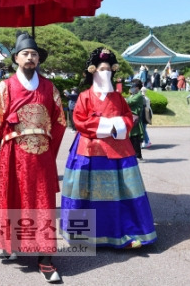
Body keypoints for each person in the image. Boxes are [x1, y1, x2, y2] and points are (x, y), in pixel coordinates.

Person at [0, 32, 66, 283]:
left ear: (39, 59)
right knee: (12, 199)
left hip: (41, 155)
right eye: (25, 54)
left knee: (42, 203)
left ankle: (45, 258)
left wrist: (47, 150)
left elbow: (60, 122)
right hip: (13, 153)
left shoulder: (50, 88)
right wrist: (8, 147)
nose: (30, 58)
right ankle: (10, 244)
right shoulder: (4, 87)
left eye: (34, 54)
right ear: (16, 59)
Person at [61, 47, 157, 251]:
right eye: (101, 69)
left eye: (108, 69)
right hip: (89, 150)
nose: (105, 73)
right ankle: (83, 234)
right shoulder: (85, 96)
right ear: (92, 71)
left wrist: (117, 124)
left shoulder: (119, 97)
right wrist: (107, 125)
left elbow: (128, 117)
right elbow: (79, 120)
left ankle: (127, 231)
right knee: (86, 193)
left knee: (122, 191)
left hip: (117, 149)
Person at [127, 79, 145, 160]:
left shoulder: (139, 95)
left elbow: (128, 102)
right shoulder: (134, 95)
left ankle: (138, 155)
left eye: (133, 86)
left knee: (135, 137)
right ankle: (133, 155)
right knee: (130, 137)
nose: (131, 88)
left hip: (134, 118)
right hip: (130, 117)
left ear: (137, 87)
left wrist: (126, 99)